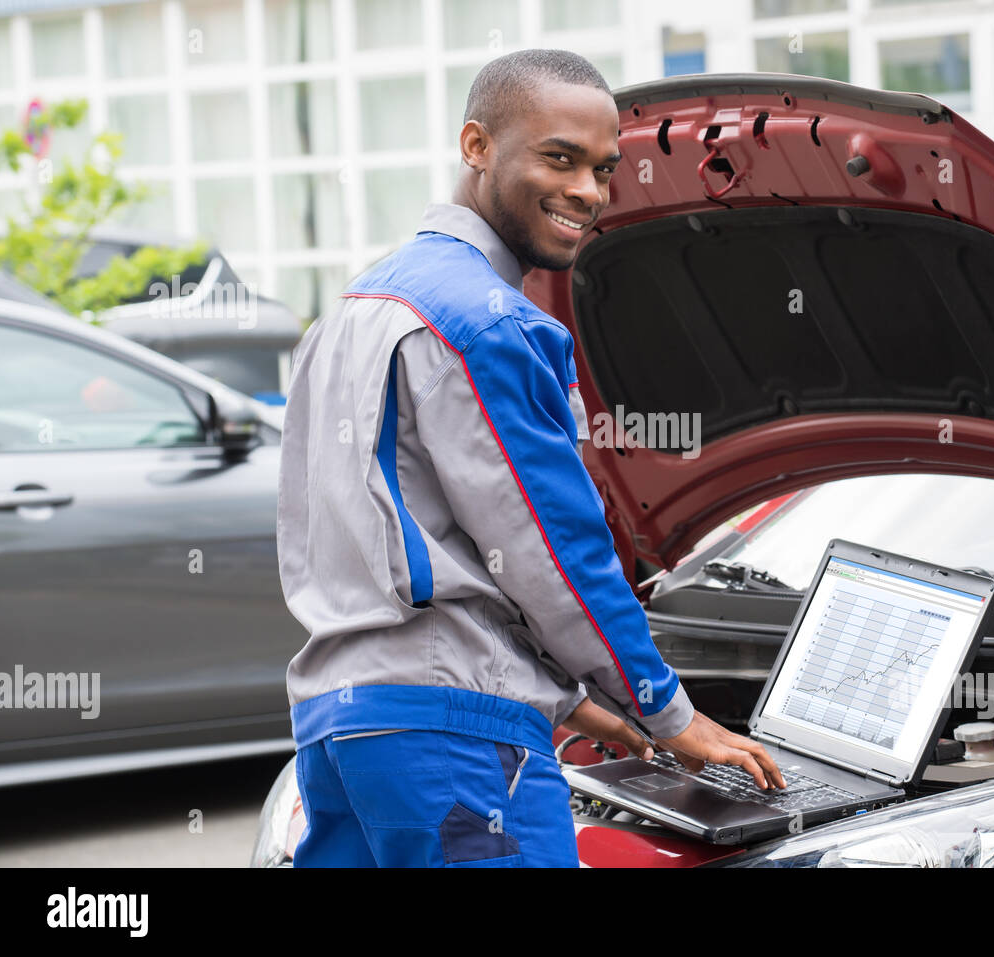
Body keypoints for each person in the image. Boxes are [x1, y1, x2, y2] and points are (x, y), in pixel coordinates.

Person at [276, 48, 784, 868]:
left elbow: (381, 541)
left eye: (604, 167)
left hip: (343, 727)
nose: (588, 190)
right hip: (456, 741)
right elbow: (555, 553)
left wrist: (578, 702)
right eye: (559, 158)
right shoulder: (488, 323)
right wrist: (667, 711)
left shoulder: (351, 311)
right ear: (477, 146)